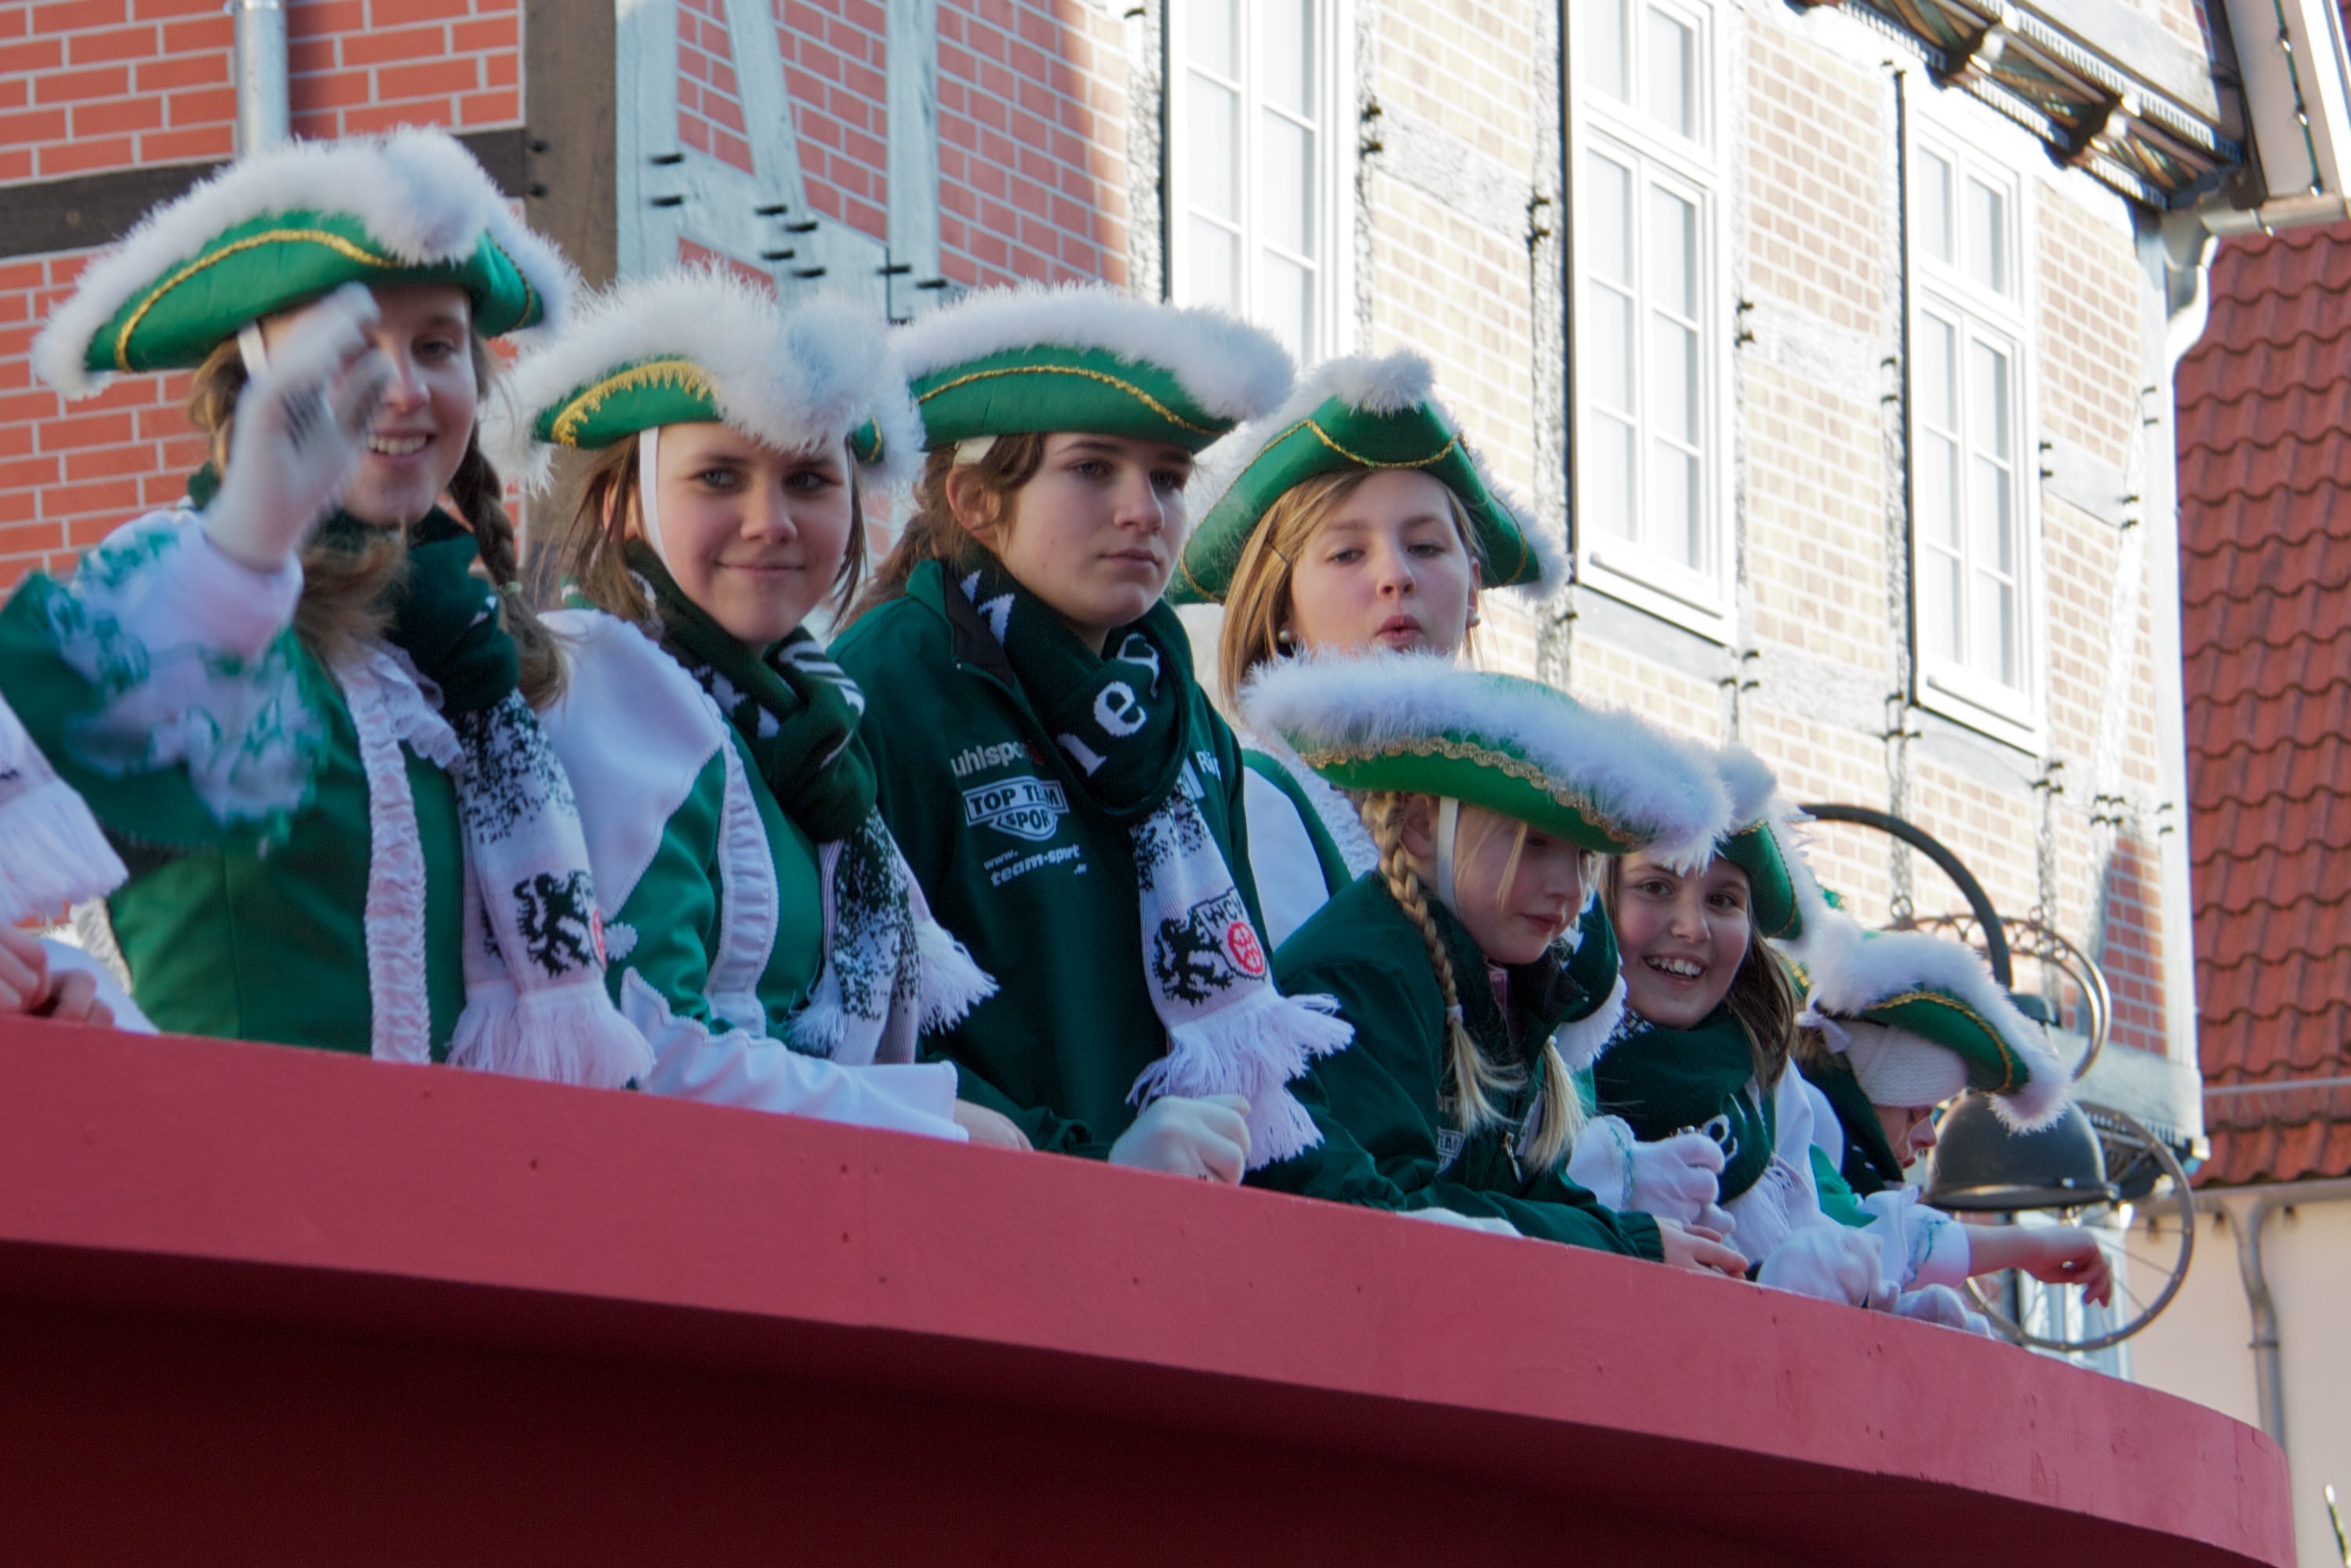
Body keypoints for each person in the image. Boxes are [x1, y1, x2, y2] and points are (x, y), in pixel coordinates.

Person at [0, 129, 645, 1085]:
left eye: (436, 345)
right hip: (207, 1163)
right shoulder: (181, 580)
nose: (402, 387)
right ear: (257, 381)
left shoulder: (464, 656)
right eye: (347, 347)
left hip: (434, 1176)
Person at [831, 283, 1346, 1181]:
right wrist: (1097, 1165)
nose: (1143, 509)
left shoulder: (1186, 716)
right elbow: (866, 1034)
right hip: (983, 1221)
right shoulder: (888, 682)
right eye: (1092, 468)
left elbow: (1254, 1052)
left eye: (1168, 479)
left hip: (1178, 1234)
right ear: (976, 499)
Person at [492, 268, 1011, 1143]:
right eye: (719, 477)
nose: (770, 520)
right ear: (625, 506)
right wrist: (924, 1118)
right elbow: (642, 1053)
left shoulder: (812, 725)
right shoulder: (608, 682)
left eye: (808, 480)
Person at [1238, 648, 1748, 1272]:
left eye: (1584, 858)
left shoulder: (1496, 979)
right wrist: (1623, 1245)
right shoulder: (1366, 975)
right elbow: (1387, 1218)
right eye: (1537, 844)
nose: (1569, 888)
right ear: (1422, 827)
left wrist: (1638, 1238)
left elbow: (1522, 1190)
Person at [1172, 350, 1557, 950]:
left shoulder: (1528, 808)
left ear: (1473, 589)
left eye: (1426, 547)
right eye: (1347, 553)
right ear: (1280, 608)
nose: (1395, 576)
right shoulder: (1258, 803)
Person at [1786, 910, 2116, 1312]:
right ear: (1858, 1093)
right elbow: (1874, 1239)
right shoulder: (1804, 1121)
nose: (1929, 1138)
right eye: (1914, 1112)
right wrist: (2031, 1245)